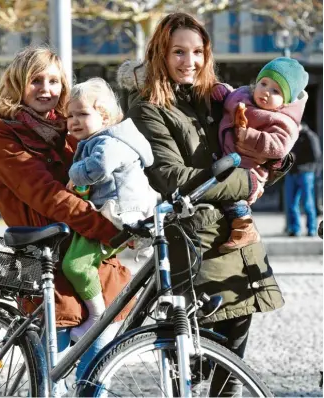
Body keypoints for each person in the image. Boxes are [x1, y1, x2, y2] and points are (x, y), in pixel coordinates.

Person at [118, 12, 292, 395]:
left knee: (232, 363)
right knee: (194, 364)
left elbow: (244, 152)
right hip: (194, 245)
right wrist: (246, 181)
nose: (189, 61)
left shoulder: (216, 99)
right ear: (160, 53)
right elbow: (171, 177)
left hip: (237, 242)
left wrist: (275, 162)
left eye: (197, 51)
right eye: (178, 51)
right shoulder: (147, 107)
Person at [0, 46, 134, 386]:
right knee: (52, 381)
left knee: (99, 371)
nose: (46, 90)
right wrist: (109, 230)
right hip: (46, 263)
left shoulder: (70, 128)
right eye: (35, 81)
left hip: (87, 258)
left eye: (54, 81)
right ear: (17, 85)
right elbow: (49, 196)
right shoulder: (5, 138)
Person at [62, 77, 156, 342]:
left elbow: (99, 167)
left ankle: (96, 316)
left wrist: (74, 172)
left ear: (104, 116)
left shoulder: (110, 142)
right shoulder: (104, 139)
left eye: (82, 113)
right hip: (117, 211)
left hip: (119, 215)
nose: (74, 121)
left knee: (76, 265)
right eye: (70, 115)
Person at [211, 57, 308, 252]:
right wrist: (222, 92)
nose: (266, 91)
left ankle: (245, 228)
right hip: (227, 158)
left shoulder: (283, 121)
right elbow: (231, 95)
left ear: (286, 101)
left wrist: (248, 136)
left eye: (275, 91)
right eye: (263, 83)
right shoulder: (243, 96)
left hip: (250, 170)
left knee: (233, 200)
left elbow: (279, 145)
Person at [284, 121, 322, 236]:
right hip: (292, 173)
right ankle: (295, 229)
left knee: (308, 203)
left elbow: (317, 156)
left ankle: (312, 229)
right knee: (291, 203)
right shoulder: (290, 137)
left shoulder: (310, 136)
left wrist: (314, 171)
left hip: (306, 173)